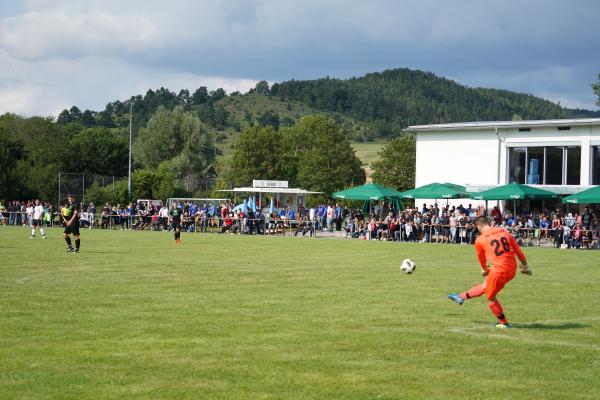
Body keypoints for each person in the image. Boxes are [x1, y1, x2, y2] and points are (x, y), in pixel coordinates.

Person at [447, 215, 532, 329]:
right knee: (486, 285)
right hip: (511, 269)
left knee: (490, 297)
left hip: (499, 270)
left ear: (479, 226)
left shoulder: (480, 239)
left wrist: (485, 269)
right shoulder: (504, 232)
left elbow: (481, 258)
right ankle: (461, 296)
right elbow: (517, 250)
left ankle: (504, 323)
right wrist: (525, 265)